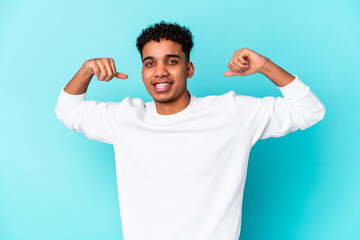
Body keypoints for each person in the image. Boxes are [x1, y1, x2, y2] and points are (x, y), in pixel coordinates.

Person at [55, 21, 325, 240]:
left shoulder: (231, 112)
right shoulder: (125, 118)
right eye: (150, 63)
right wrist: (87, 70)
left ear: (189, 68)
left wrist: (265, 65)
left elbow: (310, 110)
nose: (159, 72)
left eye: (171, 61)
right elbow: (68, 111)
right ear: (142, 71)